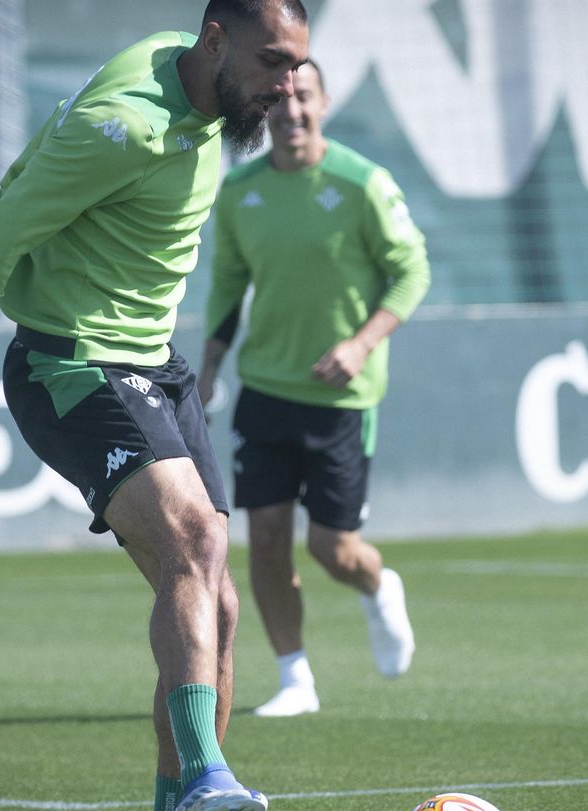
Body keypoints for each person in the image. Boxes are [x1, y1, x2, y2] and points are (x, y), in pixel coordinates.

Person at [0, 4, 309, 811]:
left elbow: (39, 145)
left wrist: (3, 192)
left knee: (216, 603)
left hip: (157, 365)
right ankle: (206, 773)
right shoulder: (127, 128)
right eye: (272, 62)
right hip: (71, 360)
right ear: (215, 38)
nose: (286, 84)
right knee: (196, 542)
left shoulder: (173, 75)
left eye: (297, 65)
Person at [199, 59, 429, 718]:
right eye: (279, 100)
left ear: (324, 103)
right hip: (265, 390)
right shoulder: (238, 190)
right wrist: (211, 361)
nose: (292, 112)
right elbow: (227, 285)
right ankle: (294, 677)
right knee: (265, 537)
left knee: (332, 549)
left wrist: (360, 344)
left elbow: (412, 273)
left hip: (341, 401)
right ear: (262, 109)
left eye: (304, 98)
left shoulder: (364, 184)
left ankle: (380, 586)